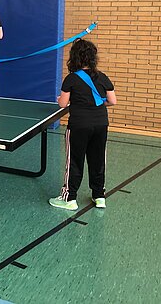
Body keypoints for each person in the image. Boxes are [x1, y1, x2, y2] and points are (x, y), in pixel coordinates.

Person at [49, 39, 116, 210]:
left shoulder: (71, 78)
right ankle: (99, 196)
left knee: (74, 161)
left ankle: (69, 199)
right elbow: (112, 101)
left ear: (74, 57)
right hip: (100, 124)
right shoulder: (102, 77)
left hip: (79, 126)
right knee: (98, 160)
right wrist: (94, 103)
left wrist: (61, 99)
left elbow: (62, 104)